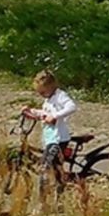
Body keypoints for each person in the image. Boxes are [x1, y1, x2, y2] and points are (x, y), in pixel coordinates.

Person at [23, 69, 77, 199]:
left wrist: (55, 116)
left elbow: (72, 107)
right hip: (49, 139)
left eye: (43, 92)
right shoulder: (48, 100)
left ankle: (46, 202)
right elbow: (45, 113)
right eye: (39, 93)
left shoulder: (60, 96)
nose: (41, 95)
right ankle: (57, 195)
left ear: (51, 86)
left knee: (45, 168)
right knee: (52, 168)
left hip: (58, 139)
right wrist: (32, 112)